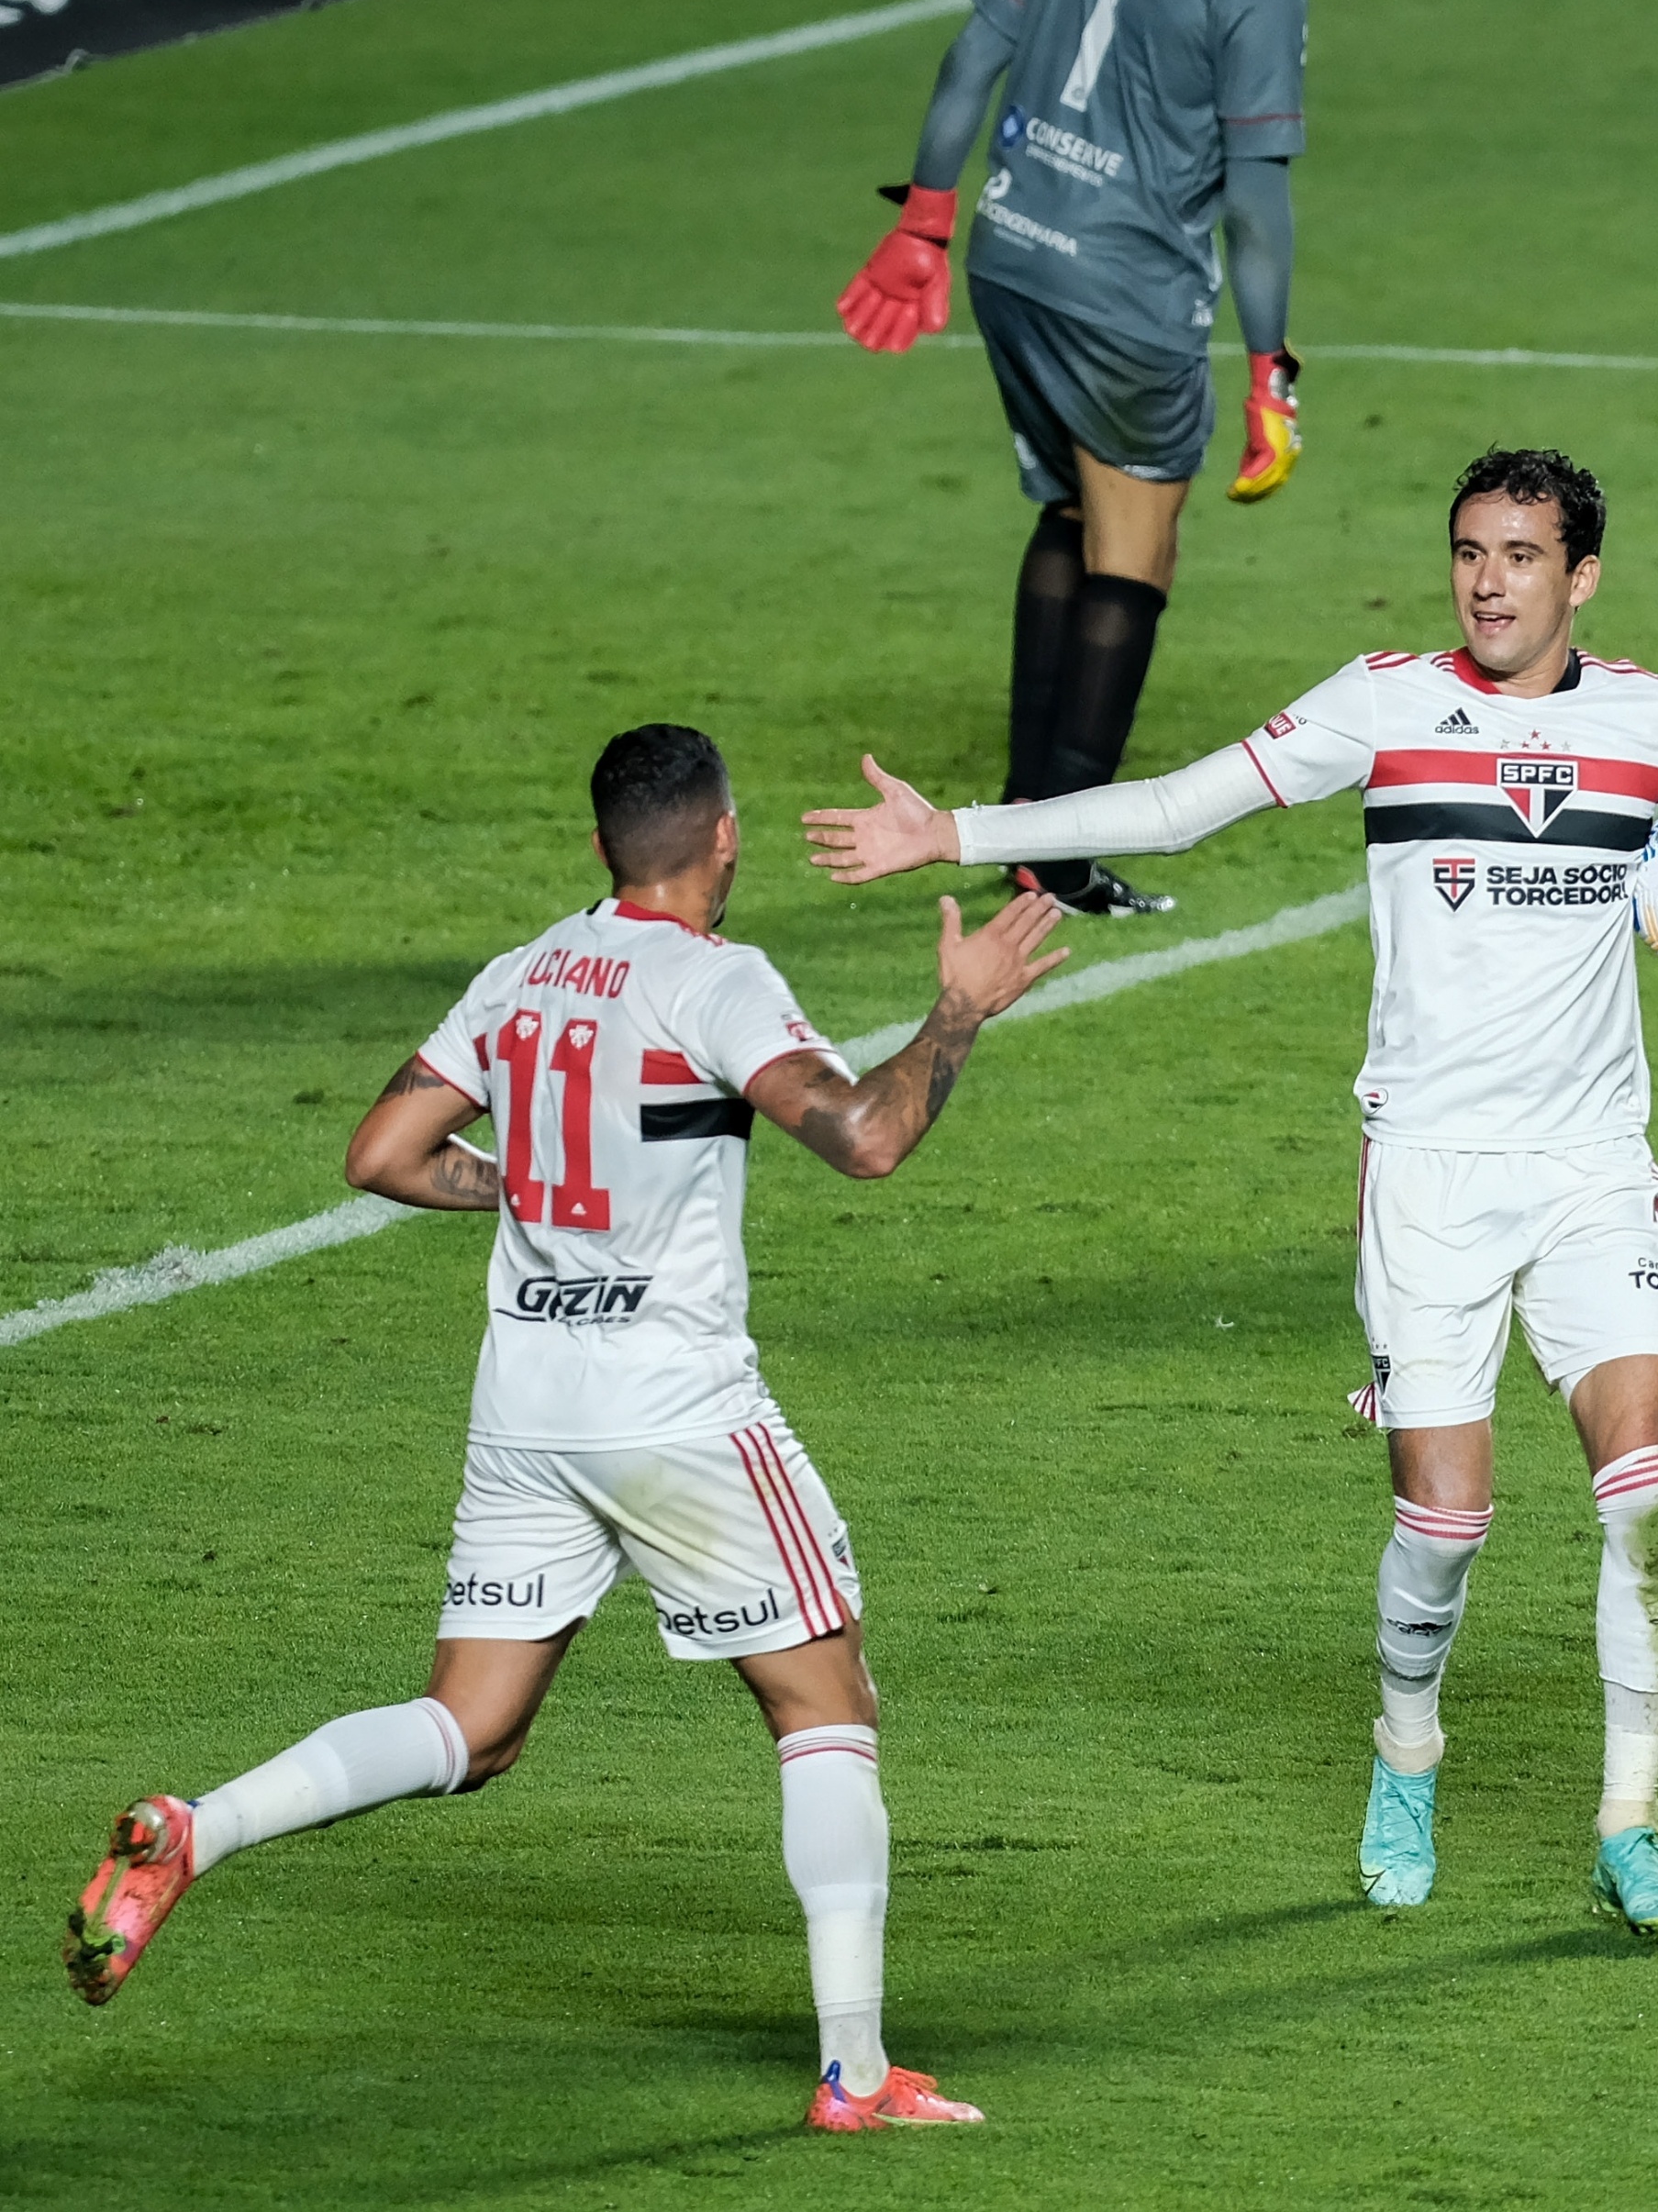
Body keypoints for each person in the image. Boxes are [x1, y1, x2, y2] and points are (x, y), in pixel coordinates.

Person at [802, 448, 1658, 1938]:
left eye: (1523, 555)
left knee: (1647, 1498)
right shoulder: (1387, 701)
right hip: (1424, 1172)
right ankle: (1405, 1750)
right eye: (1472, 550)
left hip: (1595, 1168)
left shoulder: (1657, 721)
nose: (1489, 579)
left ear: (1580, 576)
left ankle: (1631, 1821)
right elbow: (1167, 809)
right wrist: (951, 831)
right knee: (1446, 1526)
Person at [64, 726, 1065, 2137]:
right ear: (723, 838)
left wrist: (533, 1194)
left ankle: (198, 1827)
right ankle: (854, 2073)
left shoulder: (521, 971)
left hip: (527, 1405)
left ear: (603, 849)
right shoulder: (719, 982)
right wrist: (957, 1014)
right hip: (676, 1411)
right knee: (826, 1703)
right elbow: (865, 1137)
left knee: (471, 1727)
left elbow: (381, 1155)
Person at [836, 0, 1355, 918]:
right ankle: (1051, 853)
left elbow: (976, 53)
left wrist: (924, 219)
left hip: (1011, 259)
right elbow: (1256, 199)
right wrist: (1272, 367)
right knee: (1139, 551)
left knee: (1073, 511)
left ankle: (1027, 822)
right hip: (1127, 301)